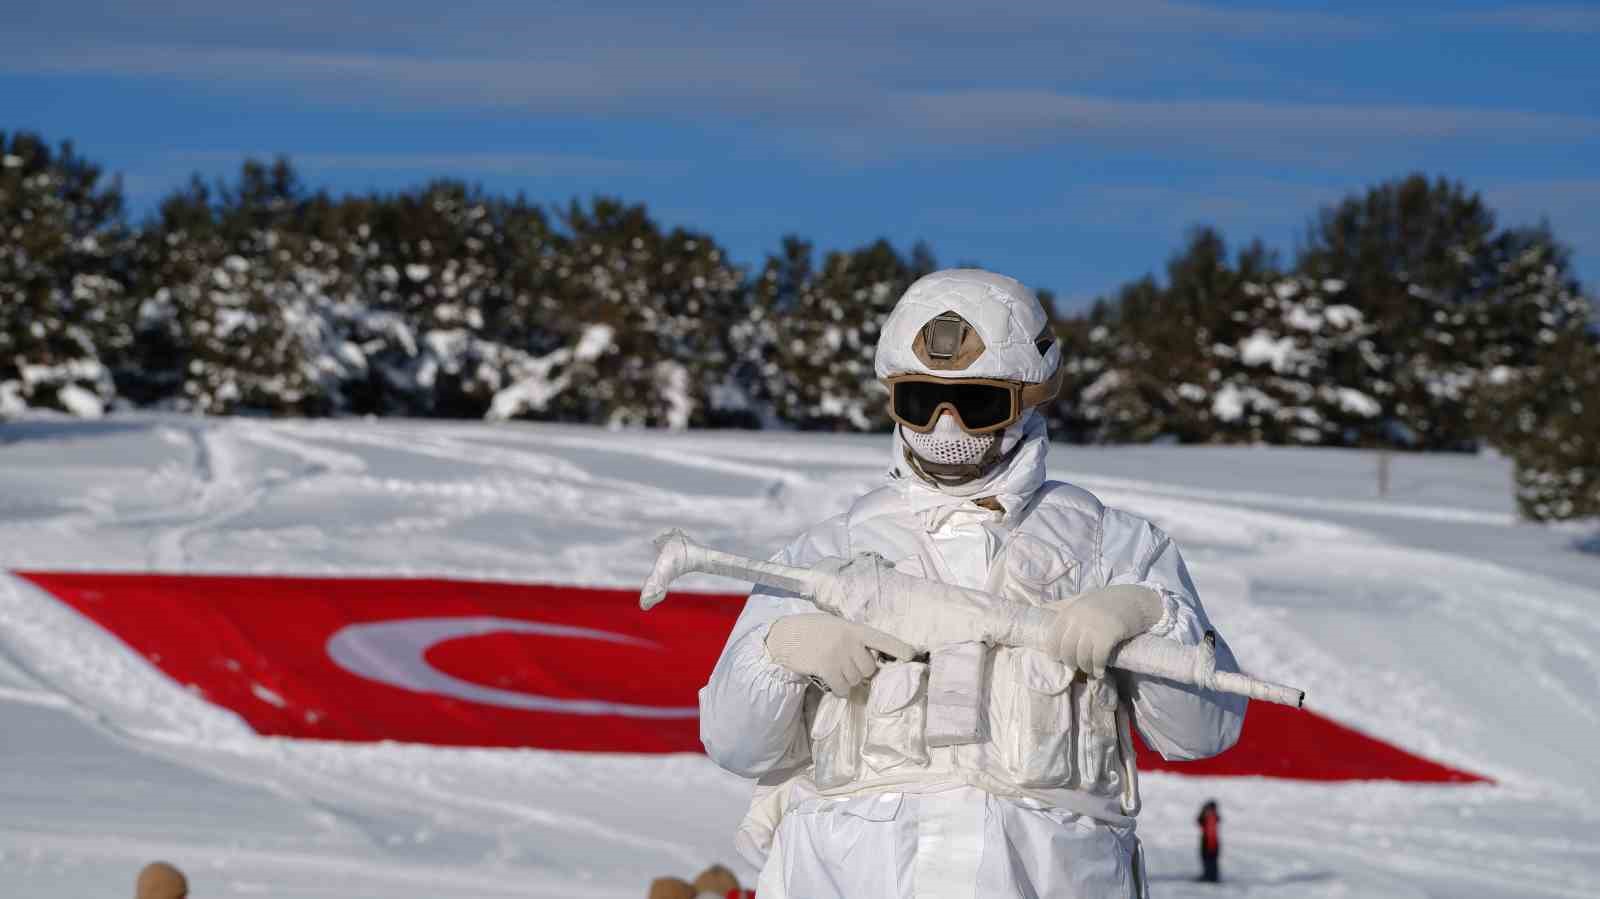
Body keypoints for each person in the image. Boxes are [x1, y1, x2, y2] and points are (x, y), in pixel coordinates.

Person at [699, 269, 1248, 898]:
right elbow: (738, 746)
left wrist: (1150, 615)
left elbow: (1205, 733)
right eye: (920, 400)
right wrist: (780, 653)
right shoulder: (829, 551)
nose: (946, 427)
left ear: (1033, 394)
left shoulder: (1114, 547)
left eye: (979, 403)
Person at [1197, 800, 1222, 883]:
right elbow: (1199, 821)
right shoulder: (1209, 816)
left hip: (1210, 841)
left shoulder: (1212, 817)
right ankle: (1209, 875)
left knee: (1210, 860)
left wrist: (1210, 845)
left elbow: (1210, 832)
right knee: (1208, 859)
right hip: (1208, 840)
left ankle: (1211, 877)